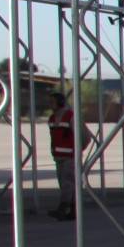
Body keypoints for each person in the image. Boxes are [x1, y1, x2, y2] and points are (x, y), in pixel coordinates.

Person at [47, 91, 77, 221]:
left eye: (52, 102)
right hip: (58, 156)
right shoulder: (52, 118)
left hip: (69, 156)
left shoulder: (70, 116)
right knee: (62, 182)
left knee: (67, 183)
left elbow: (84, 136)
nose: (50, 104)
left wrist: (76, 150)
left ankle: (63, 208)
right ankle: (72, 210)